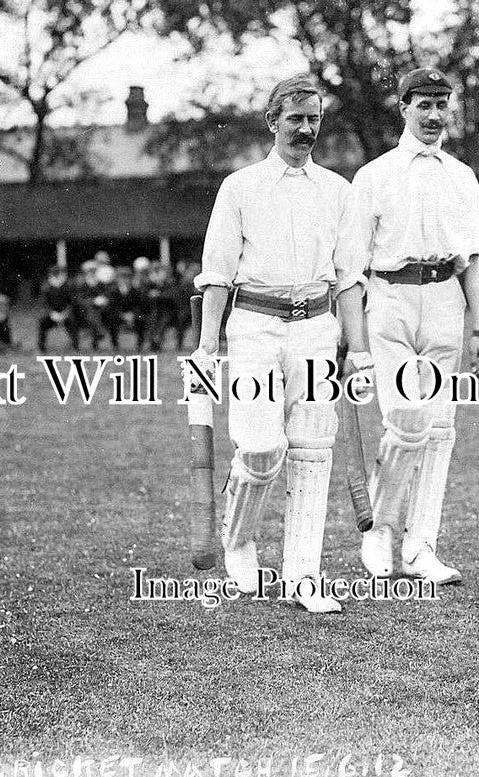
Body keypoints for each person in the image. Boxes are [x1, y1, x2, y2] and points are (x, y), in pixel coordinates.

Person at [192, 73, 352, 613]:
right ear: (272, 122)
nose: (305, 129)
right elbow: (217, 272)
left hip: (316, 328)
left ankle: (303, 575)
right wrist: (207, 345)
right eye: (295, 119)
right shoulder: (240, 187)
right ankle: (238, 541)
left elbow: (349, 276)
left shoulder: (337, 190)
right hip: (255, 326)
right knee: (261, 449)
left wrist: (354, 345)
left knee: (312, 448)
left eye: (314, 119)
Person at [334, 67, 479, 586]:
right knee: (407, 419)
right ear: (403, 108)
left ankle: (421, 547)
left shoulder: (462, 176)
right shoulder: (375, 175)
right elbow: (350, 267)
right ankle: (379, 530)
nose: (433, 115)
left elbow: (476, 255)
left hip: (445, 298)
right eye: (422, 104)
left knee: (440, 428)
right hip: (390, 299)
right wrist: (354, 341)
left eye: (441, 104)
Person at [37, 265, 79, 353]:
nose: (56, 275)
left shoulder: (67, 285)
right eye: (54, 274)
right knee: (42, 322)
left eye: (58, 273)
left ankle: (75, 346)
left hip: (65, 313)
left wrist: (65, 313)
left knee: (73, 322)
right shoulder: (46, 287)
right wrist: (51, 313)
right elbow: (44, 303)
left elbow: (72, 302)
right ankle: (41, 347)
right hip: (51, 314)